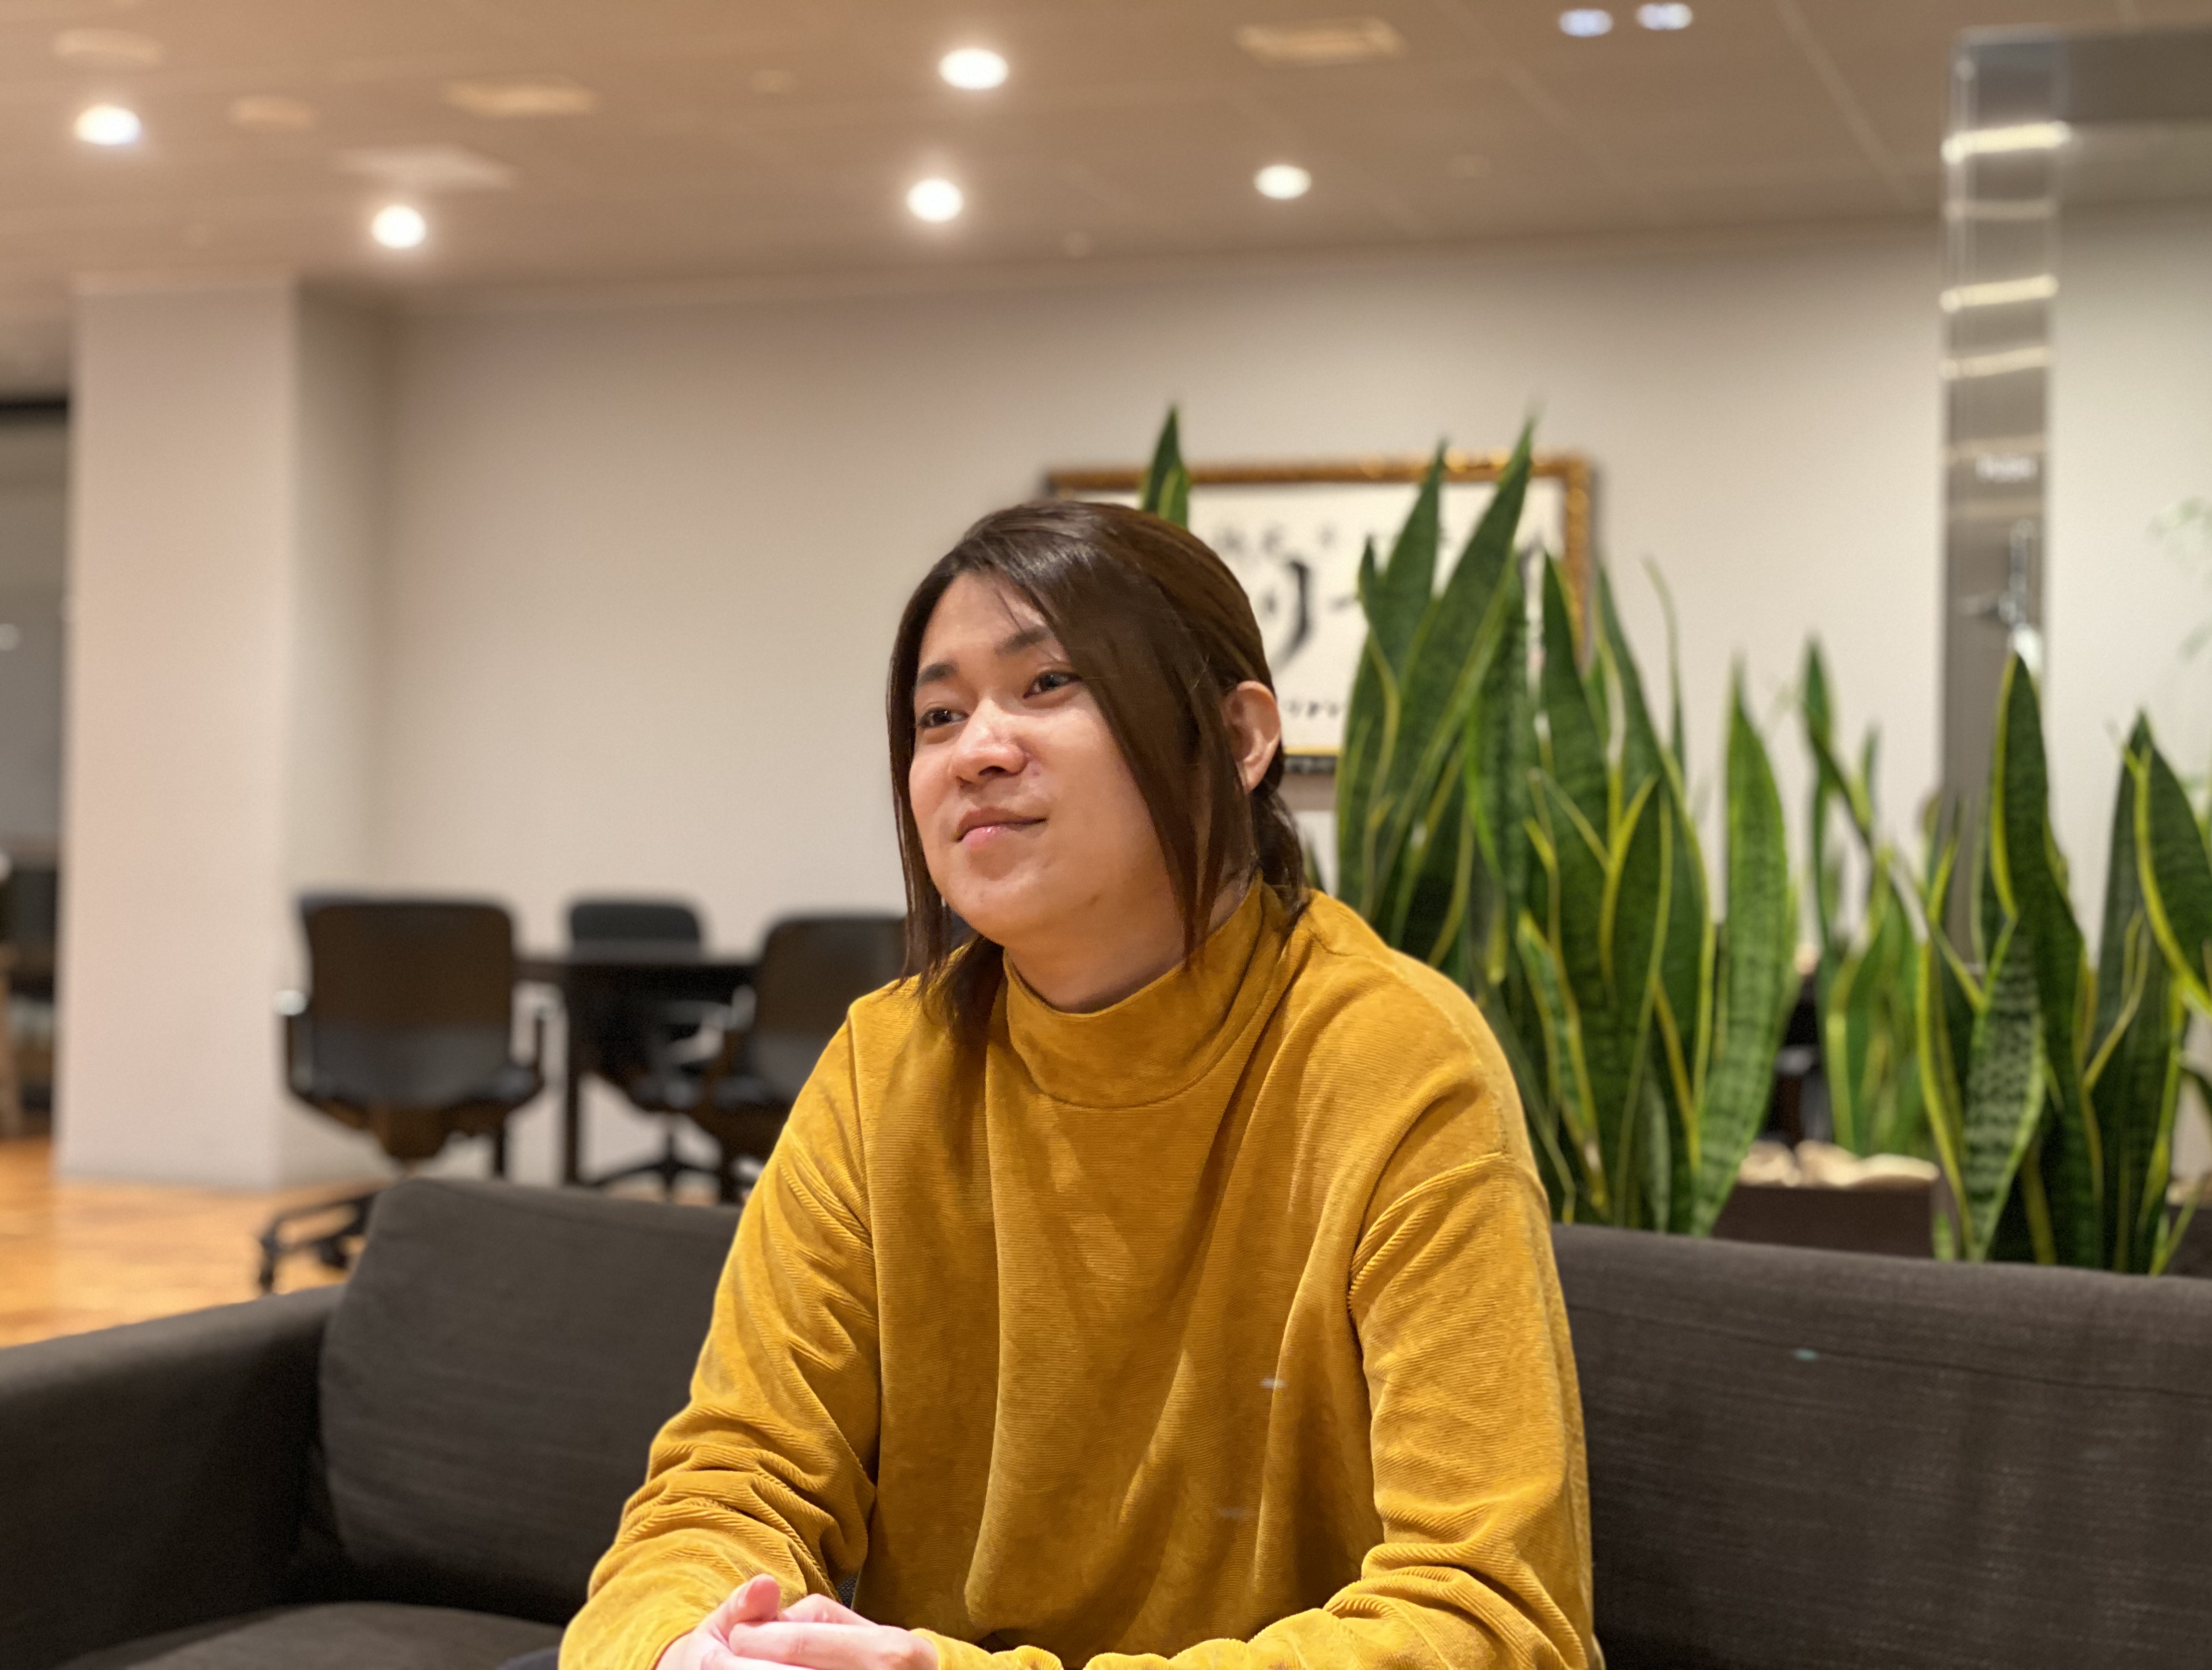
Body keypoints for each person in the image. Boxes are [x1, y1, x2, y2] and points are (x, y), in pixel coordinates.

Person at [558, 498, 1597, 1670]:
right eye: (938, 715)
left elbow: (1491, 1614)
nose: (978, 749)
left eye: (1048, 683)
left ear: (1239, 738)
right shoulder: (885, 1063)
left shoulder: (1395, 1062)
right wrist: (683, 1647)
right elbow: (731, 1478)